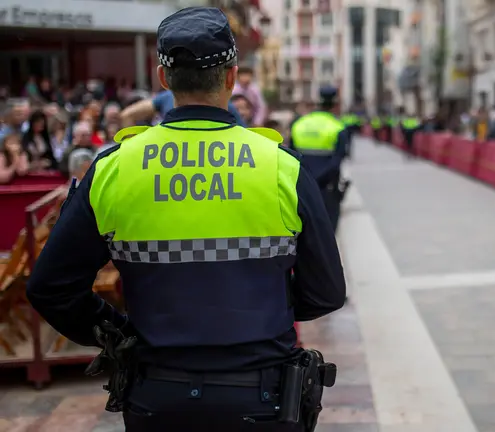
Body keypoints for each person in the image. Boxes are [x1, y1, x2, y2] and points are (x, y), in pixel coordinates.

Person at [27, 7, 345, 431]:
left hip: (157, 397)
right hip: (263, 397)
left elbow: (51, 288)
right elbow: (324, 294)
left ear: (163, 78)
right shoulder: (280, 167)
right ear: (231, 76)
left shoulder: (114, 169)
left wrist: (121, 332)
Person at [286, 87, 348, 233]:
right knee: (328, 234)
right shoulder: (338, 127)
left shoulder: (299, 124)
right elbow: (336, 162)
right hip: (327, 190)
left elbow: (291, 157)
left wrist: (308, 181)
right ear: (335, 104)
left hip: (301, 188)